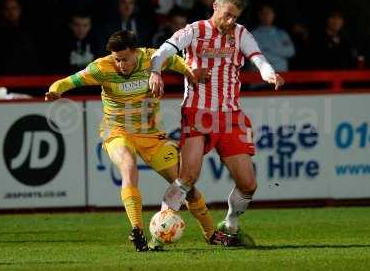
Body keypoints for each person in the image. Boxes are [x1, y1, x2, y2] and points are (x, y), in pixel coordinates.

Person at [45, 30, 233, 252]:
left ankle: (211, 233)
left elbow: (178, 61)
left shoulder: (153, 59)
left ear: (136, 52)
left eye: (125, 59)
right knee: (128, 166)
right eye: (117, 60)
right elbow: (69, 81)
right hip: (117, 131)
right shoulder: (101, 68)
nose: (121, 64)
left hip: (152, 135)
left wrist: (191, 73)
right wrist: (55, 90)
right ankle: (137, 230)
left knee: (185, 187)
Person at [149, 0, 284, 246]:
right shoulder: (194, 31)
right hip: (197, 112)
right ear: (215, 7)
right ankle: (160, 228)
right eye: (227, 14)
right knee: (188, 176)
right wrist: (156, 71)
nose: (231, 21)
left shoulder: (240, 33)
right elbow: (164, 51)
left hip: (230, 116)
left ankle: (231, 225)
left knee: (248, 184)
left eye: (236, 16)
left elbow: (258, 58)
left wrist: (269, 73)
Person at [251, 4, 295, 71]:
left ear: (273, 15)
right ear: (259, 15)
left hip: (281, 73)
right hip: (260, 75)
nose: (266, 16)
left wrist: (268, 48)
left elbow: (290, 51)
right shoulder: (253, 34)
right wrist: (280, 54)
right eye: (263, 13)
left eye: (269, 13)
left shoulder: (282, 34)